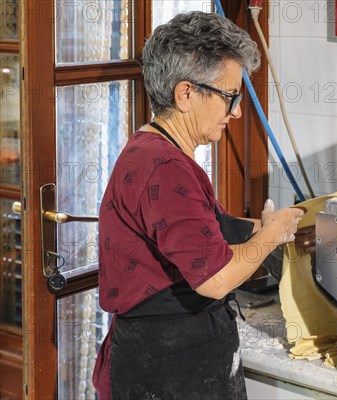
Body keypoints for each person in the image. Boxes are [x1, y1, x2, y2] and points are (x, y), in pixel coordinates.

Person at [92, 11, 304, 399]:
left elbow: (194, 229)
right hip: (169, 368)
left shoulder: (152, 147)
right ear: (186, 93)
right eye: (230, 96)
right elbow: (216, 277)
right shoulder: (166, 167)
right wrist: (272, 235)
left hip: (167, 357)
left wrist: (259, 228)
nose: (237, 111)